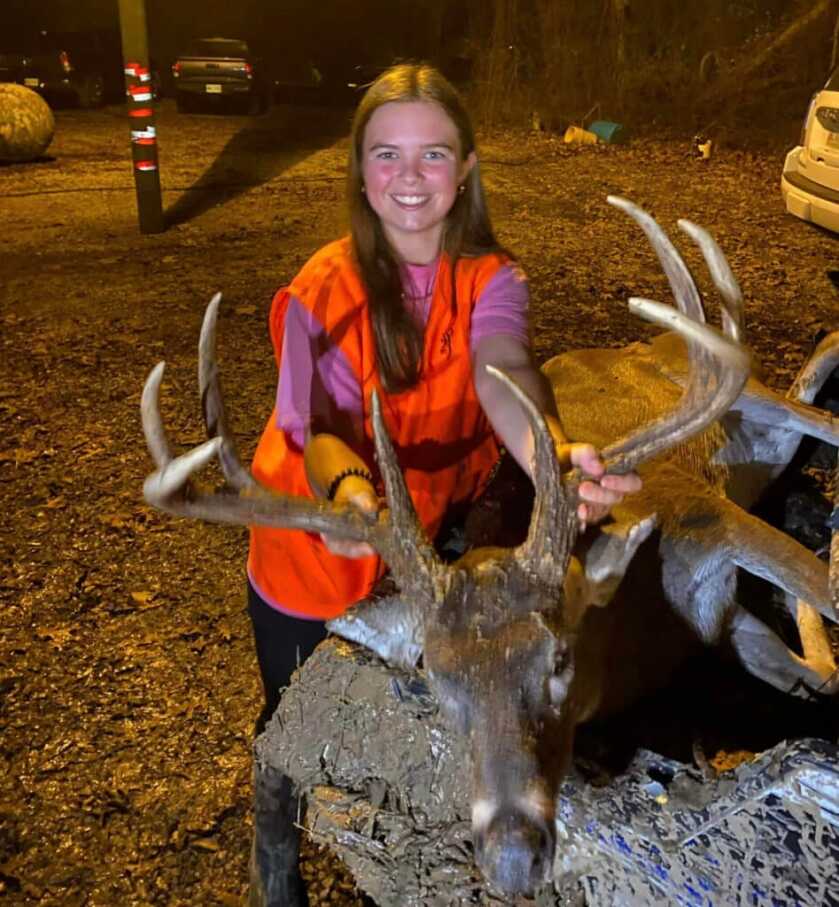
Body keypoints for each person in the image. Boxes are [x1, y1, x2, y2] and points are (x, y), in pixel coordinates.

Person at [245, 62, 641, 907]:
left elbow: (501, 371)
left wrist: (553, 461)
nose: (410, 178)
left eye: (433, 155)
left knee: (444, 695)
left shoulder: (490, 277)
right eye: (387, 155)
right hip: (313, 540)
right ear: (359, 170)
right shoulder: (324, 290)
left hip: (421, 544)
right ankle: (274, 854)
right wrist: (348, 500)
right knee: (293, 722)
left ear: (465, 169)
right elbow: (318, 430)